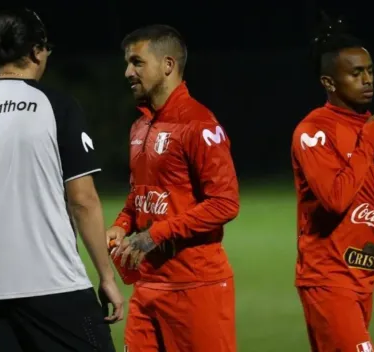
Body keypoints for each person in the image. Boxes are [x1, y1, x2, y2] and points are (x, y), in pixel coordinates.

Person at [0, 8, 123, 352]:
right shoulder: (57, 107)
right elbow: (83, 200)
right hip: (55, 288)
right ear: (36, 50)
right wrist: (107, 277)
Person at [107, 24, 240, 352]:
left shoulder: (199, 124)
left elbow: (225, 203)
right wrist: (122, 224)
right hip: (148, 285)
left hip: (196, 286)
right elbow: (139, 197)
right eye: (127, 63)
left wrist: (156, 234)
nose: (128, 72)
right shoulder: (140, 126)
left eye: (137, 62)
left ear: (168, 65)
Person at [291, 16, 374, 352]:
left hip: (364, 278)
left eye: (370, 71)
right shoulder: (314, 130)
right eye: (356, 73)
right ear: (329, 82)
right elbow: (335, 198)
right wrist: (367, 143)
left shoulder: (372, 128)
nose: (367, 80)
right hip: (328, 279)